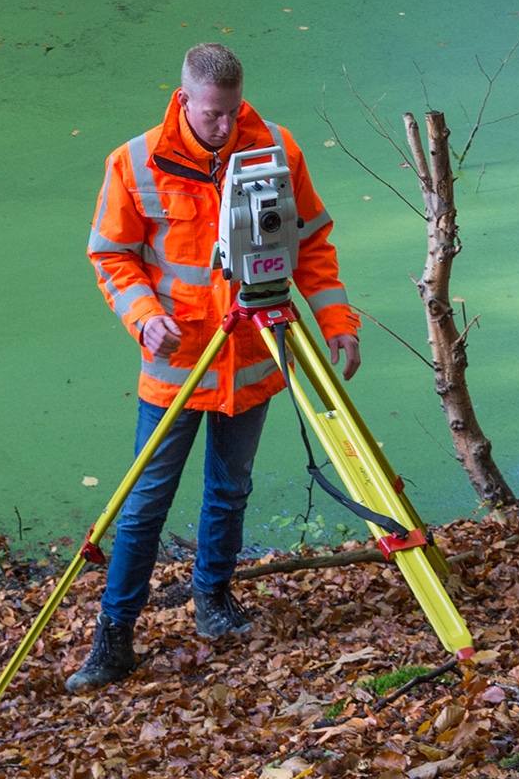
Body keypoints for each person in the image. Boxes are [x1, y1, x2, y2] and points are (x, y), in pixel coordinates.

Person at [66, 43, 361, 692]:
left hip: (253, 355)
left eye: (232, 113)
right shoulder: (135, 161)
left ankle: (215, 601)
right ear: (184, 100)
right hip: (179, 361)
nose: (225, 127)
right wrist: (145, 316)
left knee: (231, 488)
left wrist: (337, 322)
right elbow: (110, 255)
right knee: (145, 503)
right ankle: (114, 637)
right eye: (212, 115)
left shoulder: (275, 149)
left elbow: (311, 243)